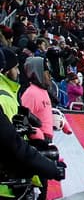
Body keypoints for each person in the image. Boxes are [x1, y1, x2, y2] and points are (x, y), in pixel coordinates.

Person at [0, 48, 63, 197]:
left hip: (28, 161)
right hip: (13, 175)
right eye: (16, 68)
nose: (49, 77)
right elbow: (12, 139)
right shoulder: (31, 93)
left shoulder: (38, 92)